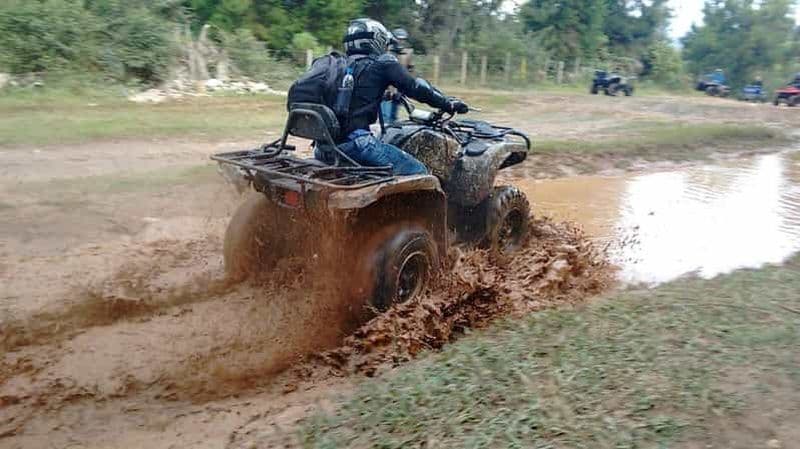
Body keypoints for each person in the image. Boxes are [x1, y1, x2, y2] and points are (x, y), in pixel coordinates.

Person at [315, 18, 468, 176]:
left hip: (323, 148)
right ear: (376, 40)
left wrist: (384, 95)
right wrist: (447, 103)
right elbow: (417, 88)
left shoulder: (339, 65)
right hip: (356, 146)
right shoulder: (383, 64)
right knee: (419, 171)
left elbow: (350, 96)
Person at [380, 27, 413, 124]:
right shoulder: (386, 53)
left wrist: (404, 89)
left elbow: (409, 71)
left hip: (399, 90)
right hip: (386, 91)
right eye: (399, 39)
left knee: (394, 118)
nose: (401, 42)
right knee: (385, 118)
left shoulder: (407, 53)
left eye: (403, 39)